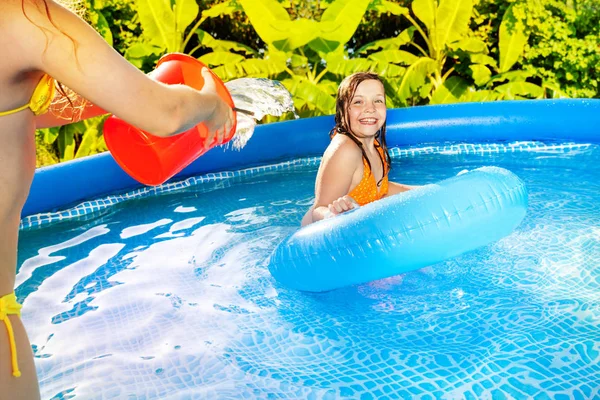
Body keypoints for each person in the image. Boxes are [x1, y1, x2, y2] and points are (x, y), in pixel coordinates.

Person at [0, 0, 233, 398]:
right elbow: (167, 114)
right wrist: (210, 102)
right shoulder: (23, 15)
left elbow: (23, 109)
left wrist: (125, 90)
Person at [301, 72, 417, 226]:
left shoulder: (374, 146)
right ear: (342, 111)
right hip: (316, 239)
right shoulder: (345, 150)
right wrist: (334, 214)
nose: (370, 108)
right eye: (358, 102)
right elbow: (318, 210)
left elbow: (381, 189)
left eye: (377, 100)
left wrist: (427, 191)